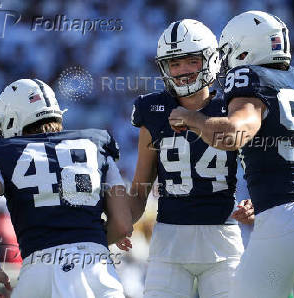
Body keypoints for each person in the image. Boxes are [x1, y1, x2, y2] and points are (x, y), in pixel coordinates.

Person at [169, 11, 294, 298]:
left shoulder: (250, 76)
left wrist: (192, 118)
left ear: (244, 48)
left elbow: (234, 134)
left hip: (286, 218)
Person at [119, 19, 253, 298]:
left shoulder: (233, 106)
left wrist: (258, 203)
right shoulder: (152, 109)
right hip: (169, 242)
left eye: (191, 61)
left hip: (223, 240)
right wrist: (122, 222)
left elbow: (261, 169)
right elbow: (141, 186)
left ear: (211, 60)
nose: (182, 71)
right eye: (174, 64)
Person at [0, 79, 132, 298]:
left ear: (12, 121)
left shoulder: (0, 152)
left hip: (40, 270)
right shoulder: (96, 144)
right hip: (97, 270)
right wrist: (87, 237)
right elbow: (123, 225)